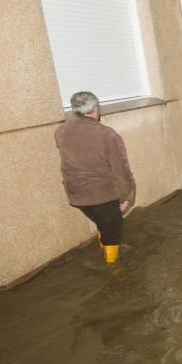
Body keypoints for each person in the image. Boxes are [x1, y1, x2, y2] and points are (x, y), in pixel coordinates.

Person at [54, 91, 136, 264]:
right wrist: (127, 196)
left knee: (103, 222)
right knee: (113, 229)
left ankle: (104, 244)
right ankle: (113, 268)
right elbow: (122, 170)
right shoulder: (108, 135)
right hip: (103, 195)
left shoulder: (61, 131)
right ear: (97, 109)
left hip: (76, 195)